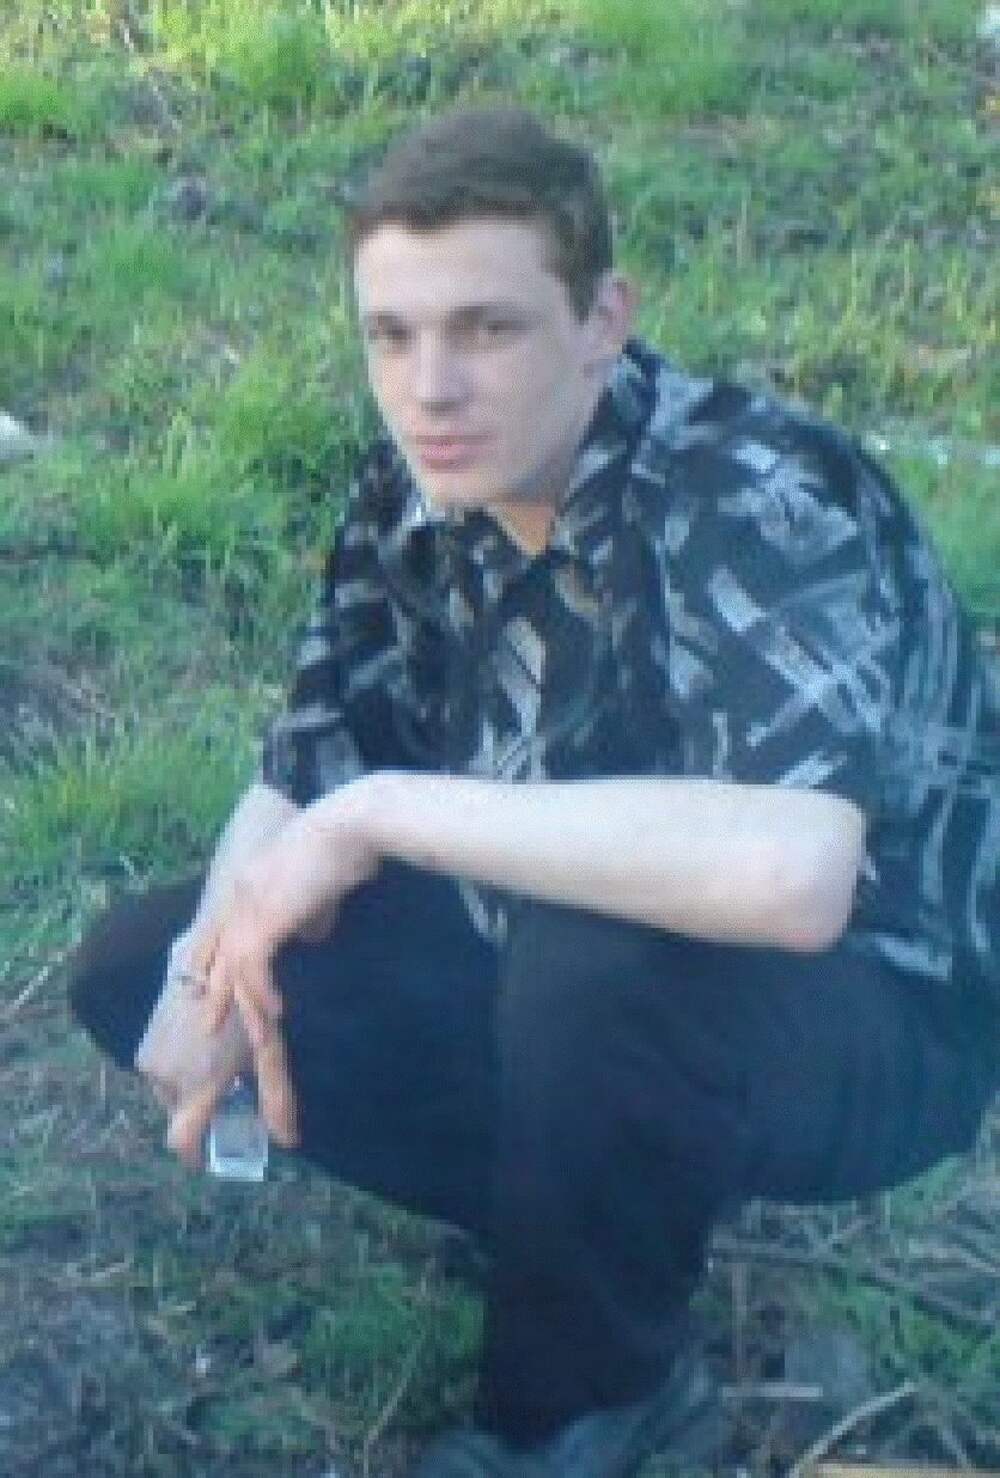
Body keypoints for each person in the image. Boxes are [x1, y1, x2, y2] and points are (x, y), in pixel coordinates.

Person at [70, 104, 1000, 1477]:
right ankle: (587, 1212)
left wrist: (380, 813)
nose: (431, 387)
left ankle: (588, 1401)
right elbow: (312, 758)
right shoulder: (417, 486)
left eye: (487, 328)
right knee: (137, 964)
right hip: (563, 971)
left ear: (602, 319)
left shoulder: (751, 489)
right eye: (393, 335)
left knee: (596, 952)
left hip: (880, 1007)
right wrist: (218, 969)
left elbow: (798, 877)